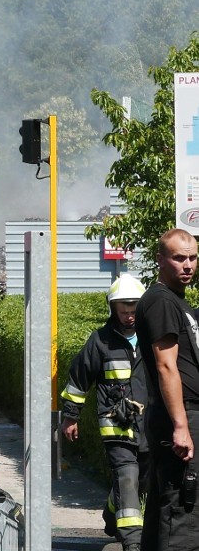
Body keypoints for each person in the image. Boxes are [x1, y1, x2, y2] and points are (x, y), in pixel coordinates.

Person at [59, 274, 148, 551]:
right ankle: (133, 542)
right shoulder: (100, 341)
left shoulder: (153, 339)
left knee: (142, 480)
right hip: (116, 427)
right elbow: (78, 380)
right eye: (124, 312)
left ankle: (112, 510)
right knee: (127, 476)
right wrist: (71, 417)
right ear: (113, 309)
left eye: (134, 311)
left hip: (150, 427)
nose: (129, 317)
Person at [135, 228, 199, 551]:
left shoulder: (178, 303)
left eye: (192, 258)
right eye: (178, 258)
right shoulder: (161, 301)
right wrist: (181, 426)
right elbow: (166, 366)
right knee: (183, 514)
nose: (187, 265)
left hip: (181, 416)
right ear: (160, 260)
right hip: (181, 416)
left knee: (166, 514)